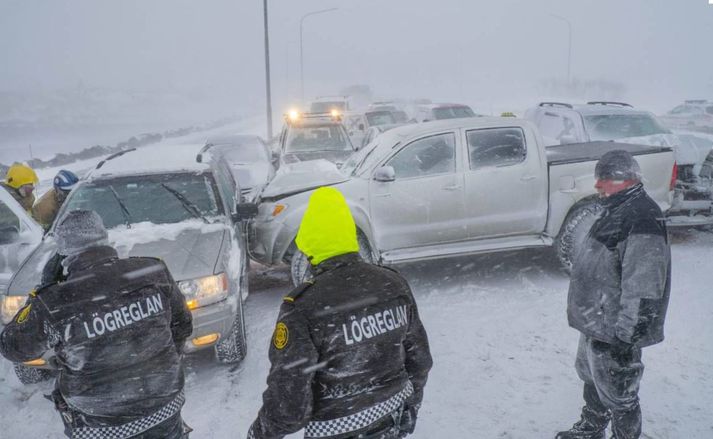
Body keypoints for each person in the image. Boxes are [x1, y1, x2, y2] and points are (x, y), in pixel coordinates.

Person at [247, 187, 433, 439]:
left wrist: (259, 433)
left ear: (309, 242)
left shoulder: (302, 308)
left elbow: (290, 407)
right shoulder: (393, 284)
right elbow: (419, 360)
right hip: (391, 422)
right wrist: (411, 405)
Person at [0, 210, 194, 439]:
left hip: (100, 425)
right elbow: (182, 325)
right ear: (104, 237)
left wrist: (41, 292)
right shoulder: (153, 272)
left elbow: (13, 347)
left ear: (62, 251)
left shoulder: (54, 300)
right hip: (166, 409)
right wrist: (157, 365)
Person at [556, 150, 671, 439]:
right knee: (593, 378)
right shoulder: (619, 206)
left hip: (617, 330)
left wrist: (627, 336)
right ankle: (591, 428)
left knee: (621, 394)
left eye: (603, 179)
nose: (596, 185)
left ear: (624, 180)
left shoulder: (642, 217)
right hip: (597, 320)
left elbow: (644, 286)